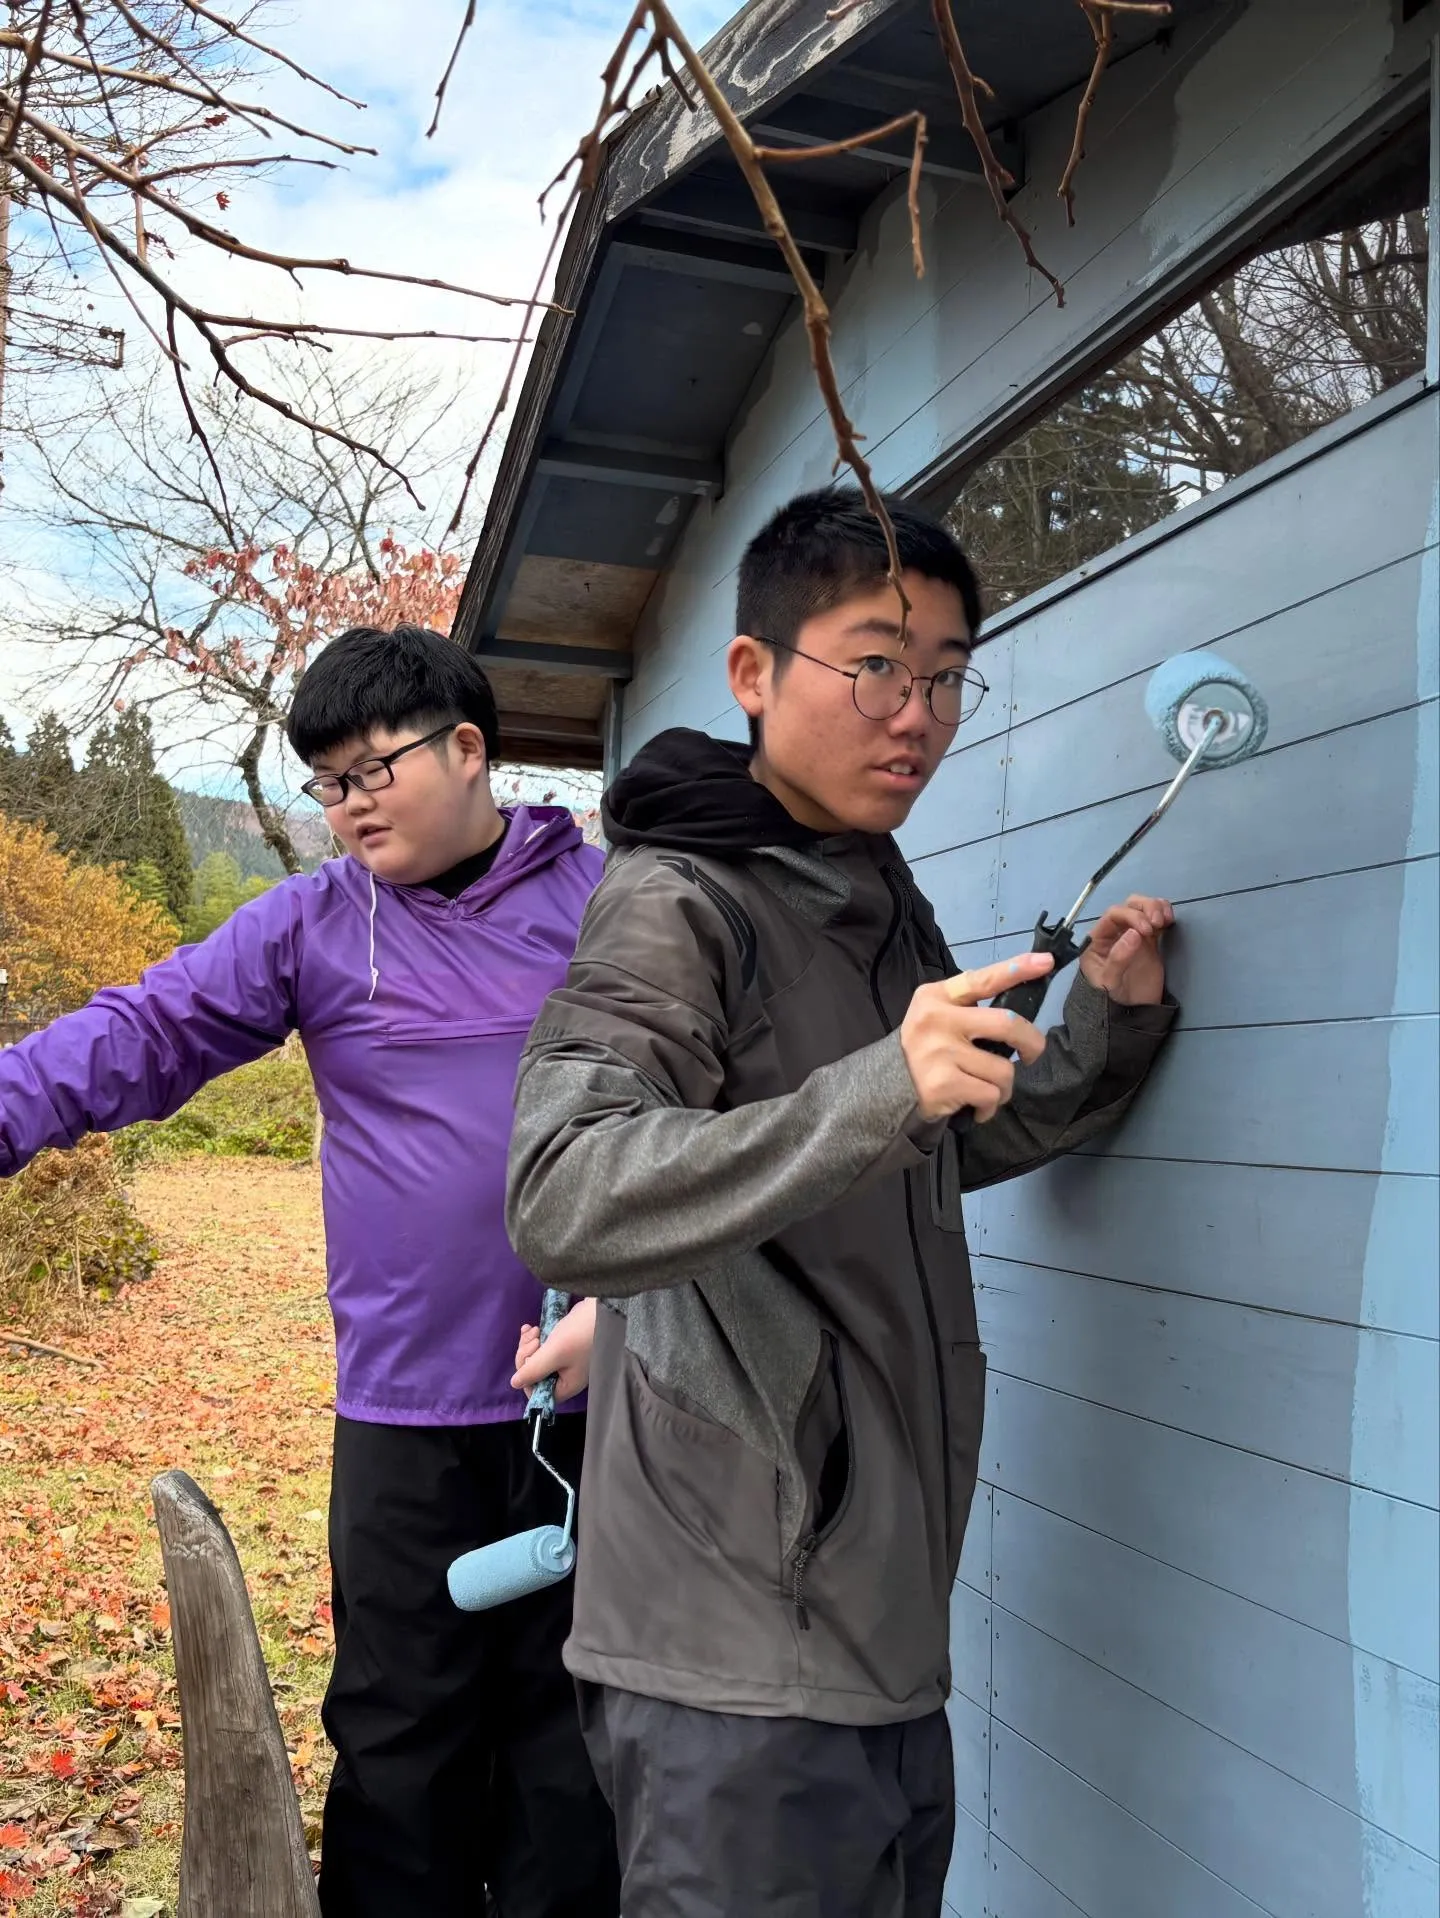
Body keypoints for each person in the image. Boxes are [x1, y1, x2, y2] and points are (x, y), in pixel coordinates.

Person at [505, 489, 1178, 1916]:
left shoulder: (871, 891)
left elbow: (931, 1138)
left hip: (877, 1626)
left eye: (945, 675)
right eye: (875, 664)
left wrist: (1109, 1027)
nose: (916, 715)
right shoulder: (682, 900)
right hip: (735, 1642)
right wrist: (882, 1086)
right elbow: (564, 1188)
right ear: (753, 673)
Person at [0, 625, 619, 1918]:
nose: (349, 805)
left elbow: (715, 1121)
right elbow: (144, 1028)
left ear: (467, 745)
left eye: (372, 769)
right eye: (327, 783)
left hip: (599, 1407)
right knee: (399, 1748)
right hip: (403, 1415)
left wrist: (636, 1309)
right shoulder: (318, 922)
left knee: (577, 1759)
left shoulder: (608, 905)